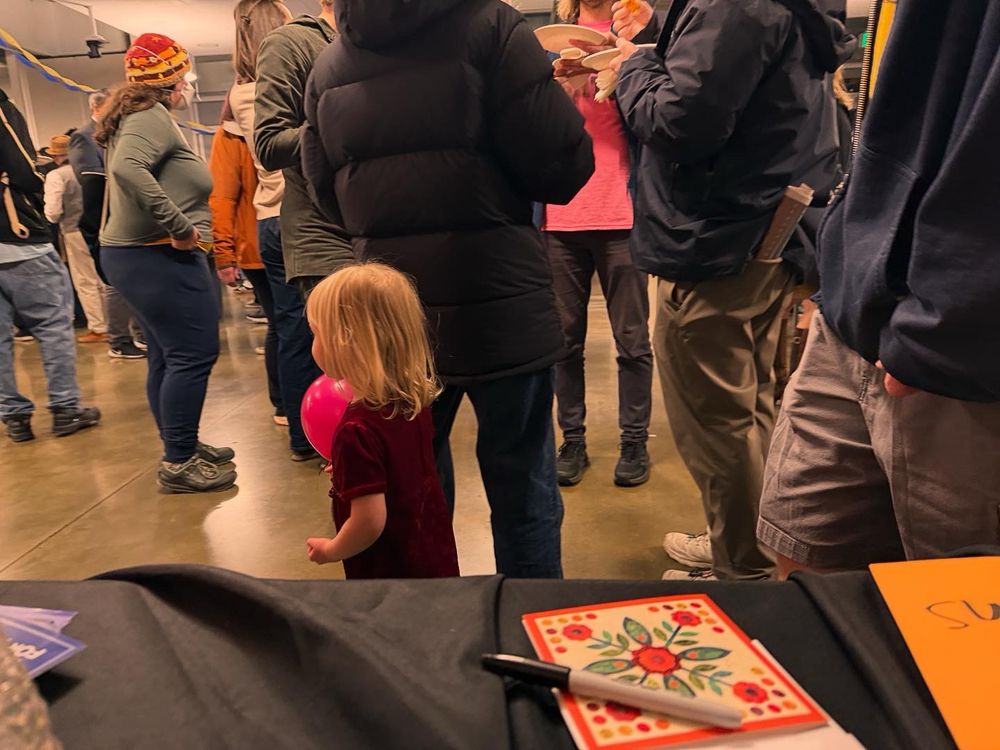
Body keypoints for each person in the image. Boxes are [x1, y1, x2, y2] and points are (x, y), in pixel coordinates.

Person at [303, 0, 594, 578]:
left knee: (409, 495)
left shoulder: (330, 66)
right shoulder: (495, 27)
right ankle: (525, 642)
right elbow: (561, 167)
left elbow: (324, 193)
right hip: (501, 302)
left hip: (391, 322)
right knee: (525, 494)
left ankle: (426, 643)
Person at [609, 0, 854, 581]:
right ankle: (749, 542)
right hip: (768, 236)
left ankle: (743, 572)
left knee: (720, 426)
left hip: (718, 245)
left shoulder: (734, 6)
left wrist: (632, 68)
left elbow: (678, 121)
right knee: (754, 410)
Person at [758, 0, 1000, 577]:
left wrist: (957, 305)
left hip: (961, 338)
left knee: (957, 620)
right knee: (804, 564)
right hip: (855, 298)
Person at [97, 33, 235, 493]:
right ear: (171, 81)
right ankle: (178, 461)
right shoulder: (150, 117)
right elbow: (127, 170)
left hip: (138, 256)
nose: (188, 86)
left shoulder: (135, 115)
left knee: (166, 354)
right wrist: (180, 228)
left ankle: (181, 443)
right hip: (154, 254)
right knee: (193, 354)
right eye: (185, 77)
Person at [546, 0, 654, 488]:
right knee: (564, 341)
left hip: (622, 213)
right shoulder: (553, 38)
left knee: (632, 339)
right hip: (561, 214)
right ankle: (573, 439)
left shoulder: (642, 31)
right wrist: (552, 88)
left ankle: (635, 440)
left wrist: (629, 63)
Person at [305, 264, 460, 579]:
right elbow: (401, 464)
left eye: (317, 333)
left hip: (390, 569)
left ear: (347, 341)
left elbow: (369, 523)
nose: (313, 344)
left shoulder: (355, 429)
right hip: (429, 544)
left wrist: (331, 550)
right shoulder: (411, 400)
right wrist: (357, 470)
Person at [229, 0, 322, 461]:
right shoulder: (274, 77)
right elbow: (272, 148)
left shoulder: (239, 96)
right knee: (305, 334)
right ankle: (305, 432)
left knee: (286, 330)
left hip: (271, 218)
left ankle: (291, 417)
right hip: (294, 217)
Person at [0, 88, 100, 443]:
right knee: (52, 327)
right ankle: (65, 408)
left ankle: (14, 417)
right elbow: (23, 172)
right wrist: (38, 179)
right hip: (19, 241)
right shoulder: (2, 108)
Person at [254, 0, 353, 300]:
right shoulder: (292, 42)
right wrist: (352, 120)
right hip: (326, 242)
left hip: (379, 233)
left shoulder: (379, 47)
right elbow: (270, 144)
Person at [207, 102, 286, 427]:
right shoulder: (230, 134)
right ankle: (283, 403)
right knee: (283, 327)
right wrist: (223, 253)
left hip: (261, 241)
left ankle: (284, 403)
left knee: (282, 327)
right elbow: (222, 196)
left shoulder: (236, 130)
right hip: (258, 244)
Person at [68, 89, 146, 360]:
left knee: (133, 280)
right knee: (111, 283)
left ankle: (141, 335)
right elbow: (91, 182)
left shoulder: (117, 133)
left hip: (125, 218)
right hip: (100, 221)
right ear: (97, 108)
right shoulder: (83, 137)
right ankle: (119, 339)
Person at [42, 134, 105, 343]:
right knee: (103, 278)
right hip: (99, 229)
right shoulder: (90, 170)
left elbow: (52, 211)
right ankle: (115, 323)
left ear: (57, 156)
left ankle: (99, 327)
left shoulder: (56, 175)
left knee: (85, 280)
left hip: (73, 230)